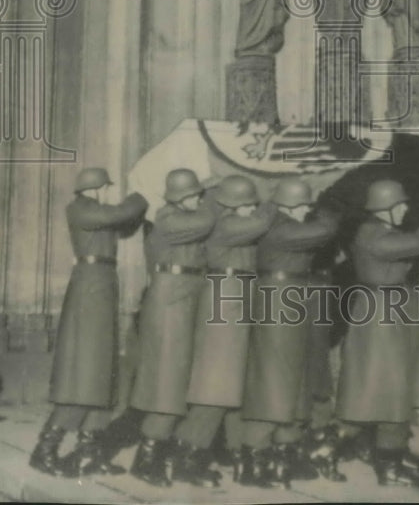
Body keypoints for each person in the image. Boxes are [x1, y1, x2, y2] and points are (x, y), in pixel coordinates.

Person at [29, 167, 147, 477]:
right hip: (91, 288)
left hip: (102, 284)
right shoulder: (81, 209)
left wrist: (135, 208)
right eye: (106, 187)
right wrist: (140, 192)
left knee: (100, 373)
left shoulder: (95, 212)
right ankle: (45, 451)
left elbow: (126, 224)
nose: (109, 191)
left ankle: (89, 452)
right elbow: (122, 214)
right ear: (95, 188)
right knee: (86, 373)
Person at [334, 179, 419, 487]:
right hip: (382, 314)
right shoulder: (373, 236)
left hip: (393, 310)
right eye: (401, 205)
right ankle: (384, 463)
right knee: (390, 389)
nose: (406, 209)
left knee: (396, 387)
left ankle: (388, 455)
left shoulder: (383, 232)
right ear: (385, 208)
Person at [174, 175, 277, 486]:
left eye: (252, 204)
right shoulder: (226, 225)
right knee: (216, 386)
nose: (250, 209)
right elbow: (261, 223)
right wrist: (277, 198)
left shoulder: (233, 222)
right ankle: (187, 458)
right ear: (232, 205)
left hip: (238, 296)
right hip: (225, 298)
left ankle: (241, 457)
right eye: (245, 204)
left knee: (237, 386)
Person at [239, 177, 340, 488]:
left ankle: (278, 455)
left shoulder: (280, 222)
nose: (306, 211)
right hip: (278, 297)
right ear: (288, 205)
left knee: (292, 379)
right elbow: (325, 229)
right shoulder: (281, 228)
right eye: (303, 206)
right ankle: (253, 460)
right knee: (272, 381)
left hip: (291, 295)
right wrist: (327, 207)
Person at [128, 168, 218, 487]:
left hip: (187, 294)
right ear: (178, 197)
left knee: (184, 381)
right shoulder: (169, 219)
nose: (198, 199)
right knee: (168, 382)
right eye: (193, 194)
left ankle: (170, 456)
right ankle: (146, 458)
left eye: (198, 194)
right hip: (171, 298)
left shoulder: (184, 217)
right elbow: (208, 221)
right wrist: (218, 193)